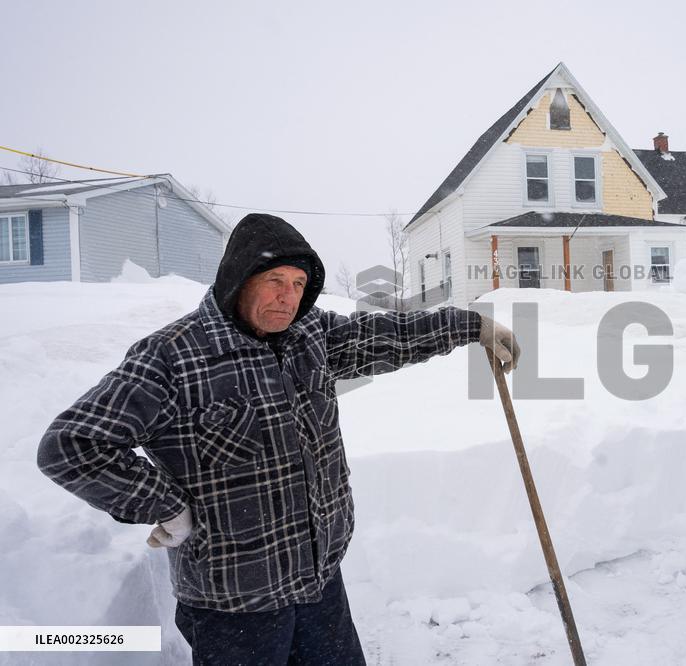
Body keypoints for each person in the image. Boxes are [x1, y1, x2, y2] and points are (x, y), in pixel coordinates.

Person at [37, 213, 520, 665]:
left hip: (318, 582)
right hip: (234, 605)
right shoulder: (172, 357)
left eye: (298, 285)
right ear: (238, 279)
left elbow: (383, 335)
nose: (288, 297)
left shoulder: (307, 334)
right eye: (275, 281)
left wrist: (470, 325)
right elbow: (72, 446)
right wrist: (165, 503)